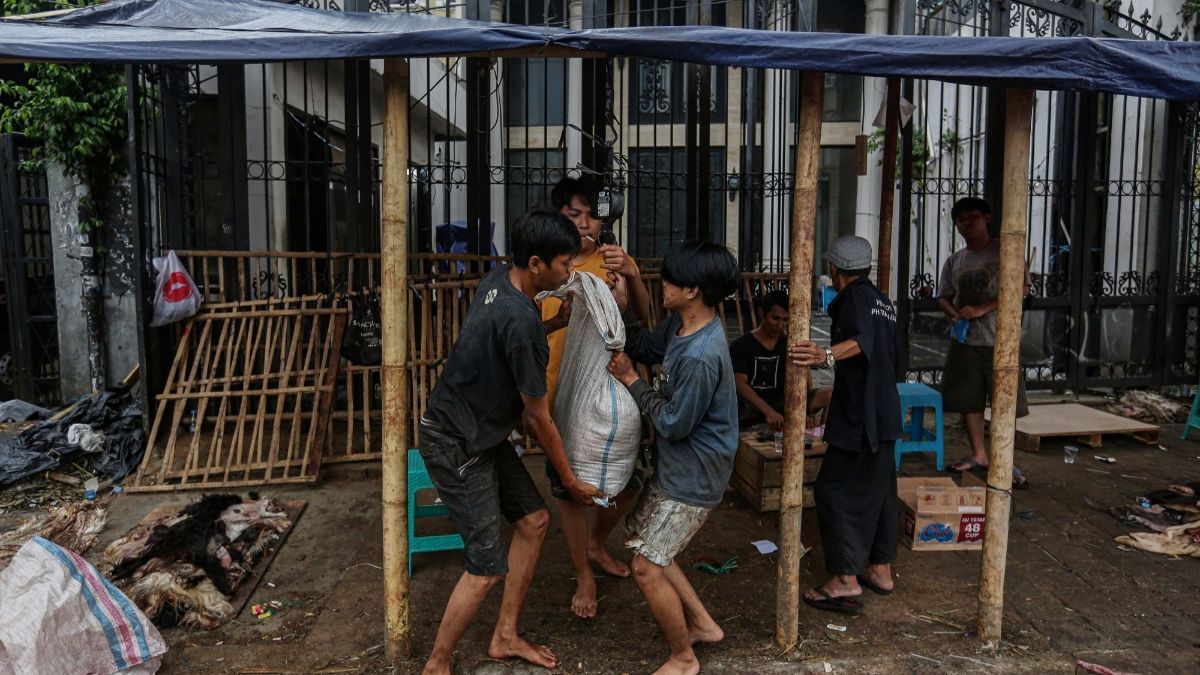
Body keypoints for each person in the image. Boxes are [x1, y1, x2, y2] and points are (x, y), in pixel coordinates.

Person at [417, 208, 602, 675]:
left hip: (479, 431)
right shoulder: (520, 319)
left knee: (535, 521)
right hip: (457, 442)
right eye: (564, 263)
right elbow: (538, 420)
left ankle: (505, 635)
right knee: (486, 568)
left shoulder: (501, 281)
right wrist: (571, 480)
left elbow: (509, 341)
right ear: (537, 263)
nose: (570, 271)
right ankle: (436, 665)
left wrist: (554, 326)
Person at [606, 241, 740, 675]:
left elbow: (674, 423)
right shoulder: (682, 326)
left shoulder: (702, 355)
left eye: (670, 279)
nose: (662, 283)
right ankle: (703, 624)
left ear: (693, 290)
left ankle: (684, 658)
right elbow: (644, 346)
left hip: (696, 474)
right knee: (645, 542)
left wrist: (631, 382)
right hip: (677, 466)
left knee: (645, 567)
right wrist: (624, 306)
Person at [541, 176, 653, 619]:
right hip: (552, 393)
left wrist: (631, 274)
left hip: (603, 396)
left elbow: (641, 317)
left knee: (627, 484)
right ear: (558, 217)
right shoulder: (546, 262)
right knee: (568, 492)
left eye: (591, 214)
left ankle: (596, 542)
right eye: (574, 215)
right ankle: (584, 575)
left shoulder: (611, 261)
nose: (585, 223)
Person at [789, 235, 902, 616]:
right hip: (885, 411)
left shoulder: (853, 298)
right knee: (881, 489)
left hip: (863, 417)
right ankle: (880, 569)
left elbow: (861, 341)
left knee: (832, 489)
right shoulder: (884, 302)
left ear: (834, 271)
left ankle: (844, 579)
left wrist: (824, 354)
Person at [937, 197, 1031, 489]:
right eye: (961, 220)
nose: (967, 224)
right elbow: (943, 295)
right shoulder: (955, 260)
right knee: (969, 400)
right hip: (966, 342)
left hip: (1000, 342)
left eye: (972, 217)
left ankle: (1005, 460)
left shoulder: (1007, 252)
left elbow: (1023, 290)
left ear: (987, 218)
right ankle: (979, 455)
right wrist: (955, 315)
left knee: (1004, 402)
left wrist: (982, 308)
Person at [729, 289, 831, 431]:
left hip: (784, 404)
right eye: (775, 318)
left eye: (785, 320)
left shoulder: (789, 344)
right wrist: (768, 411)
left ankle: (822, 441)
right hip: (752, 407)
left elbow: (802, 379)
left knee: (829, 395)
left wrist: (804, 412)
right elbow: (739, 384)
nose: (780, 325)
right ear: (761, 313)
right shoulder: (741, 345)